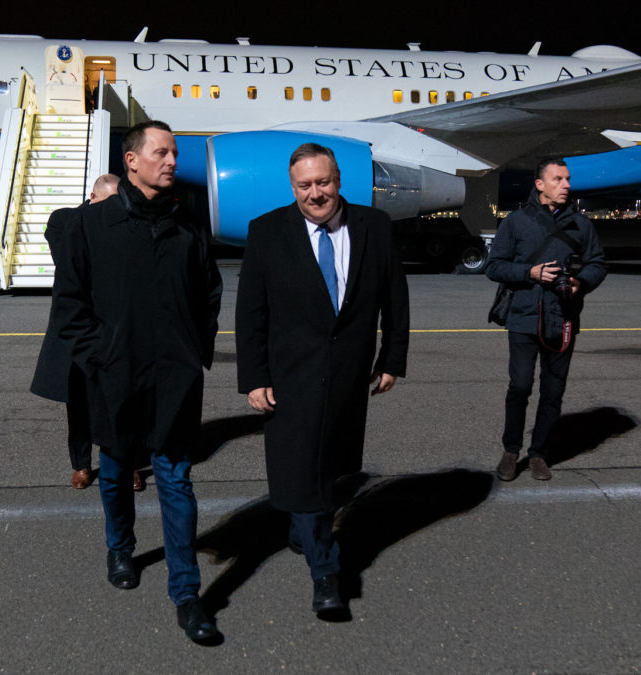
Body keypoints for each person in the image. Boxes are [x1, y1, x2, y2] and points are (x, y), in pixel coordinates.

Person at [50, 121, 223, 643]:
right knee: (115, 468)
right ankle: (120, 547)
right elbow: (70, 308)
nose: (171, 161)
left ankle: (187, 593)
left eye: (174, 153)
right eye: (161, 152)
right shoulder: (91, 227)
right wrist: (97, 360)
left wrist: (195, 354)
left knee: (175, 478)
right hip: (113, 375)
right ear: (132, 160)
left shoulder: (189, 227)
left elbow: (209, 295)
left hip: (174, 378)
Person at [235, 142, 410, 616]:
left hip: (351, 378)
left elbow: (395, 298)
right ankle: (326, 575)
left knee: (331, 469)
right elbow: (251, 313)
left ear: (338, 180)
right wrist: (253, 378)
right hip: (290, 380)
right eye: (305, 186)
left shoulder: (373, 227)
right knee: (303, 474)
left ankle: (300, 525)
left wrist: (392, 359)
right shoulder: (267, 231)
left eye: (323, 182)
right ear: (293, 187)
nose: (315, 194)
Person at [485, 158, 607, 481]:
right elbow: (494, 266)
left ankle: (539, 453)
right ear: (540, 185)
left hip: (563, 318)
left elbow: (598, 263)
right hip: (524, 317)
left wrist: (582, 282)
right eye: (558, 179)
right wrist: (530, 272)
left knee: (553, 392)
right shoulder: (515, 222)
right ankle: (511, 450)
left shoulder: (581, 225)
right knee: (521, 386)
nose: (566, 184)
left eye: (567, 179)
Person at [30, 174, 143, 492]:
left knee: (122, 404)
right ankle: (81, 465)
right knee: (77, 405)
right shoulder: (65, 220)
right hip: (79, 331)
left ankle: (127, 463)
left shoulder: (126, 225)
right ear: (92, 198)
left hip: (115, 331)